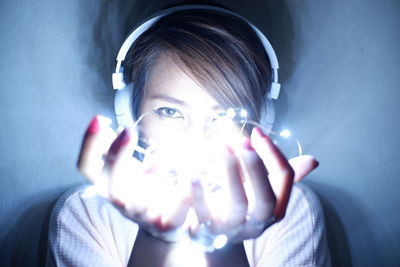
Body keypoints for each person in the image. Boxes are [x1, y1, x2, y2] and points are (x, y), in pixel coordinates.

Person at [46, 3, 331, 267]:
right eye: (169, 111)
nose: (195, 137)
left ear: (259, 119)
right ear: (129, 111)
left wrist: (223, 244)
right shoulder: (86, 214)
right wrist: (157, 240)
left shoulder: (291, 209)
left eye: (222, 116)